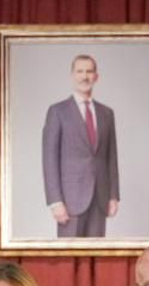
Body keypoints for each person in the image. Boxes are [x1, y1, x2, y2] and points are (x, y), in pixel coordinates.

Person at [42, 54, 120, 238]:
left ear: (96, 76)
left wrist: (113, 195)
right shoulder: (57, 112)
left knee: (97, 259)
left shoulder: (107, 113)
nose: (85, 76)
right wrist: (55, 201)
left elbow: (111, 157)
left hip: (100, 199)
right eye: (80, 71)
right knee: (70, 260)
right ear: (72, 75)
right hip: (70, 202)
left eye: (89, 71)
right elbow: (49, 159)